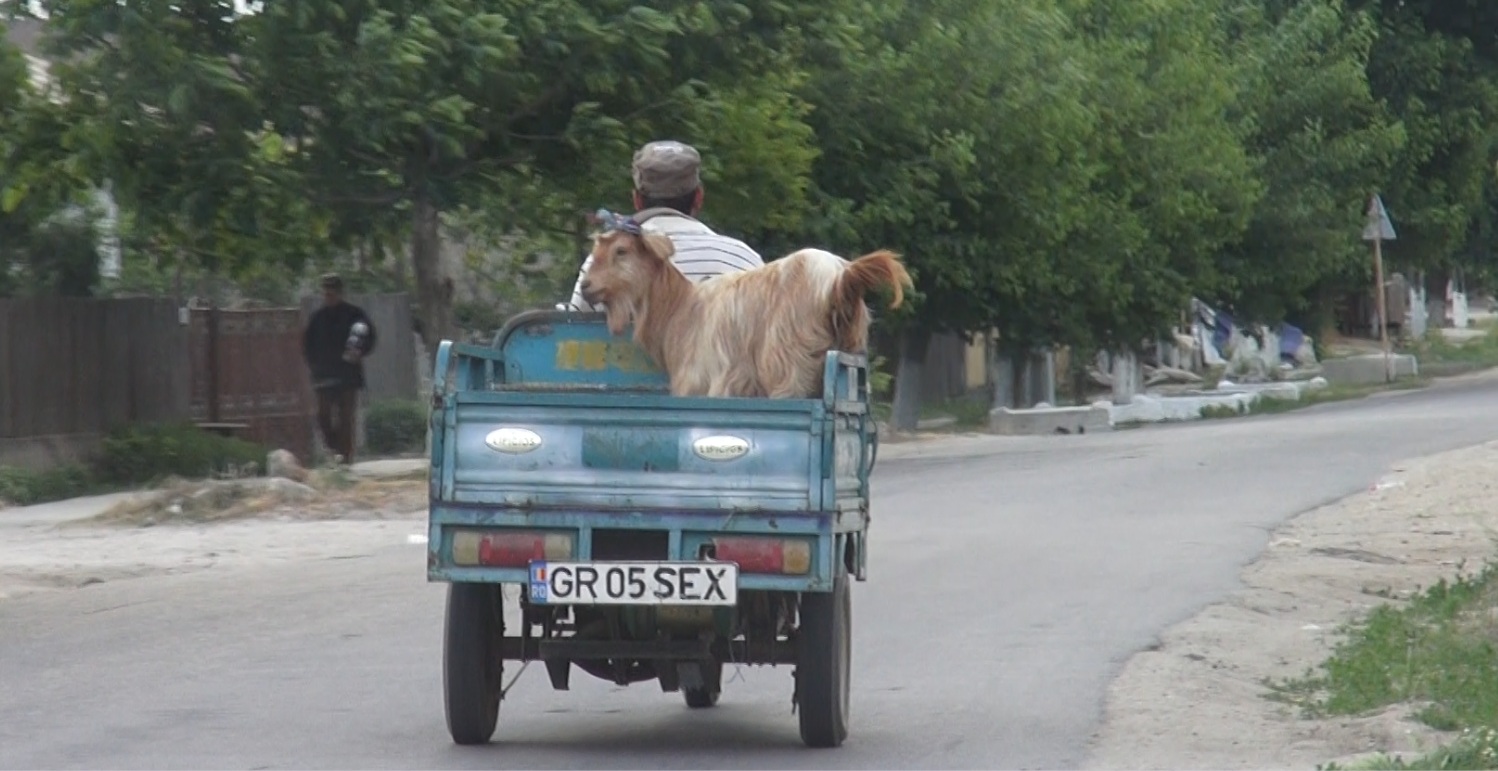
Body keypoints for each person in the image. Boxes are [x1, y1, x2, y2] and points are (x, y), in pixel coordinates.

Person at [561, 140, 765, 311]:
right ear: (699, 198)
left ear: (637, 200)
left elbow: (572, 330)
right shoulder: (742, 260)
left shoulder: (605, 260)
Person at [302, 274, 377, 464]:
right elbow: (307, 345)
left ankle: (345, 457)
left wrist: (359, 352)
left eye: (333, 292)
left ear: (340, 293)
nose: (329, 295)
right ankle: (334, 448)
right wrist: (314, 366)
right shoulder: (317, 318)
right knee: (322, 416)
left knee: (346, 417)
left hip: (348, 375)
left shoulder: (355, 315)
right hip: (324, 375)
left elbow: (369, 337)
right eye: (326, 292)